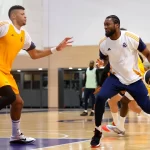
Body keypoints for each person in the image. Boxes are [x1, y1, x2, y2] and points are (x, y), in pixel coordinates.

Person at [0, 5, 73, 144]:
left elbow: (35, 54)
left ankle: (15, 135)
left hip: (5, 72)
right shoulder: (4, 26)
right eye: (22, 14)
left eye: (25, 14)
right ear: (14, 16)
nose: (25, 16)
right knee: (9, 96)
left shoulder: (24, 35)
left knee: (18, 102)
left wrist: (55, 49)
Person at [90, 15, 150, 148]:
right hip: (116, 78)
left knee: (147, 107)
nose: (105, 27)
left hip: (134, 79)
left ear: (116, 25)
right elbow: (105, 59)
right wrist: (102, 62)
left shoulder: (131, 37)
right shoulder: (103, 44)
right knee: (100, 97)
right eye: (104, 25)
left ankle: (120, 126)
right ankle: (97, 133)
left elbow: (147, 54)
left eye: (108, 25)